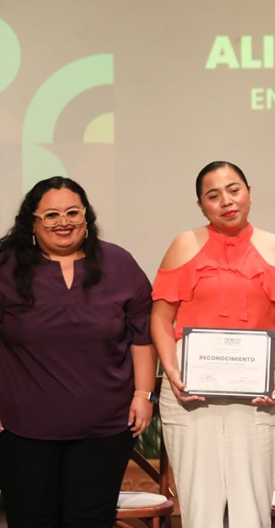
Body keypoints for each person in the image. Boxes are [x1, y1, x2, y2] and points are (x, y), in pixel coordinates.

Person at [0, 176, 156, 527]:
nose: (63, 222)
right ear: (31, 222)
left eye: (73, 212)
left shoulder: (119, 263)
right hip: (23, 429)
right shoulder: (6, 267)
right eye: (51, 215)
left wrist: (144, 395)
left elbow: (141, 337)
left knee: (90, 520)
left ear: (86, 216)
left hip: (104, 428)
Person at [150, 161, 275, 528]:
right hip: (191, 387)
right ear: (201, 206)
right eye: (213, 196)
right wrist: (172, 372)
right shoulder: (184, 244)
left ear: (249, 193)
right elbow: (160, 317)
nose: (226, 201)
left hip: (261, 388)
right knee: (200, 502)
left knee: (252, 501)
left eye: (234, 190)